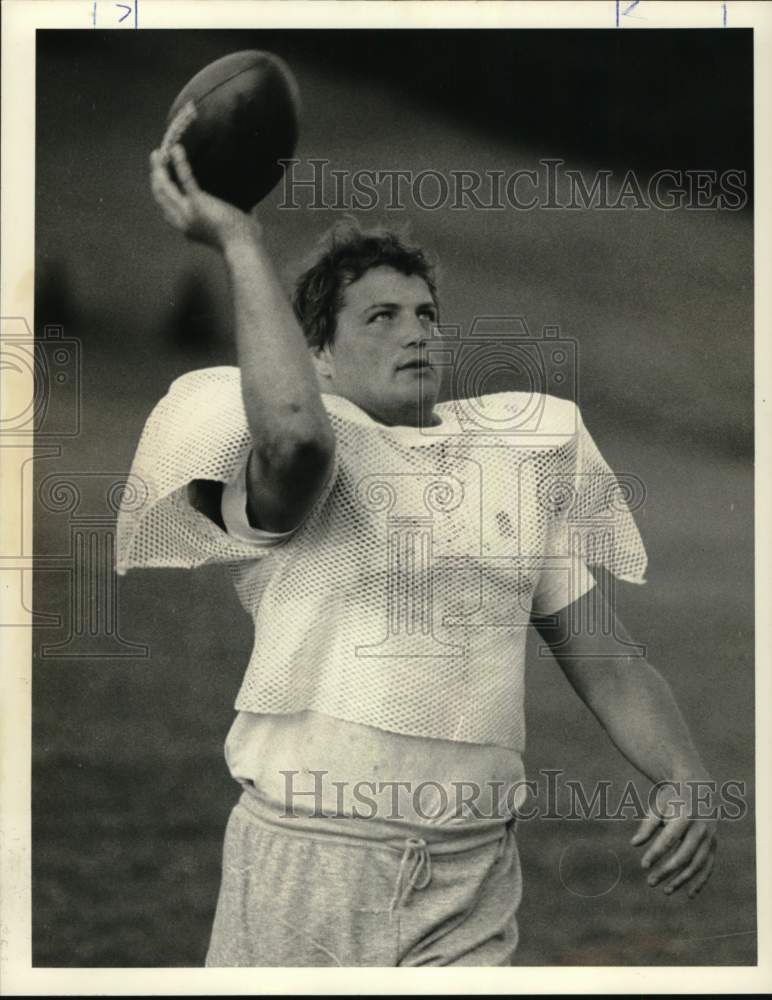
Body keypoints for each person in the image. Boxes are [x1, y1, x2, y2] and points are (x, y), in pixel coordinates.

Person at [116, 143, 717, 967]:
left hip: (470, 874)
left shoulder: (511, 459)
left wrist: (684, 773)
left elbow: (608, 662)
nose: (417, 332)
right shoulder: (302, 458)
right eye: (381, 317)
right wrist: (239, 241)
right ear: (317, 355)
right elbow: (295, 433)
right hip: (310, 861)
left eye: (426, 313)